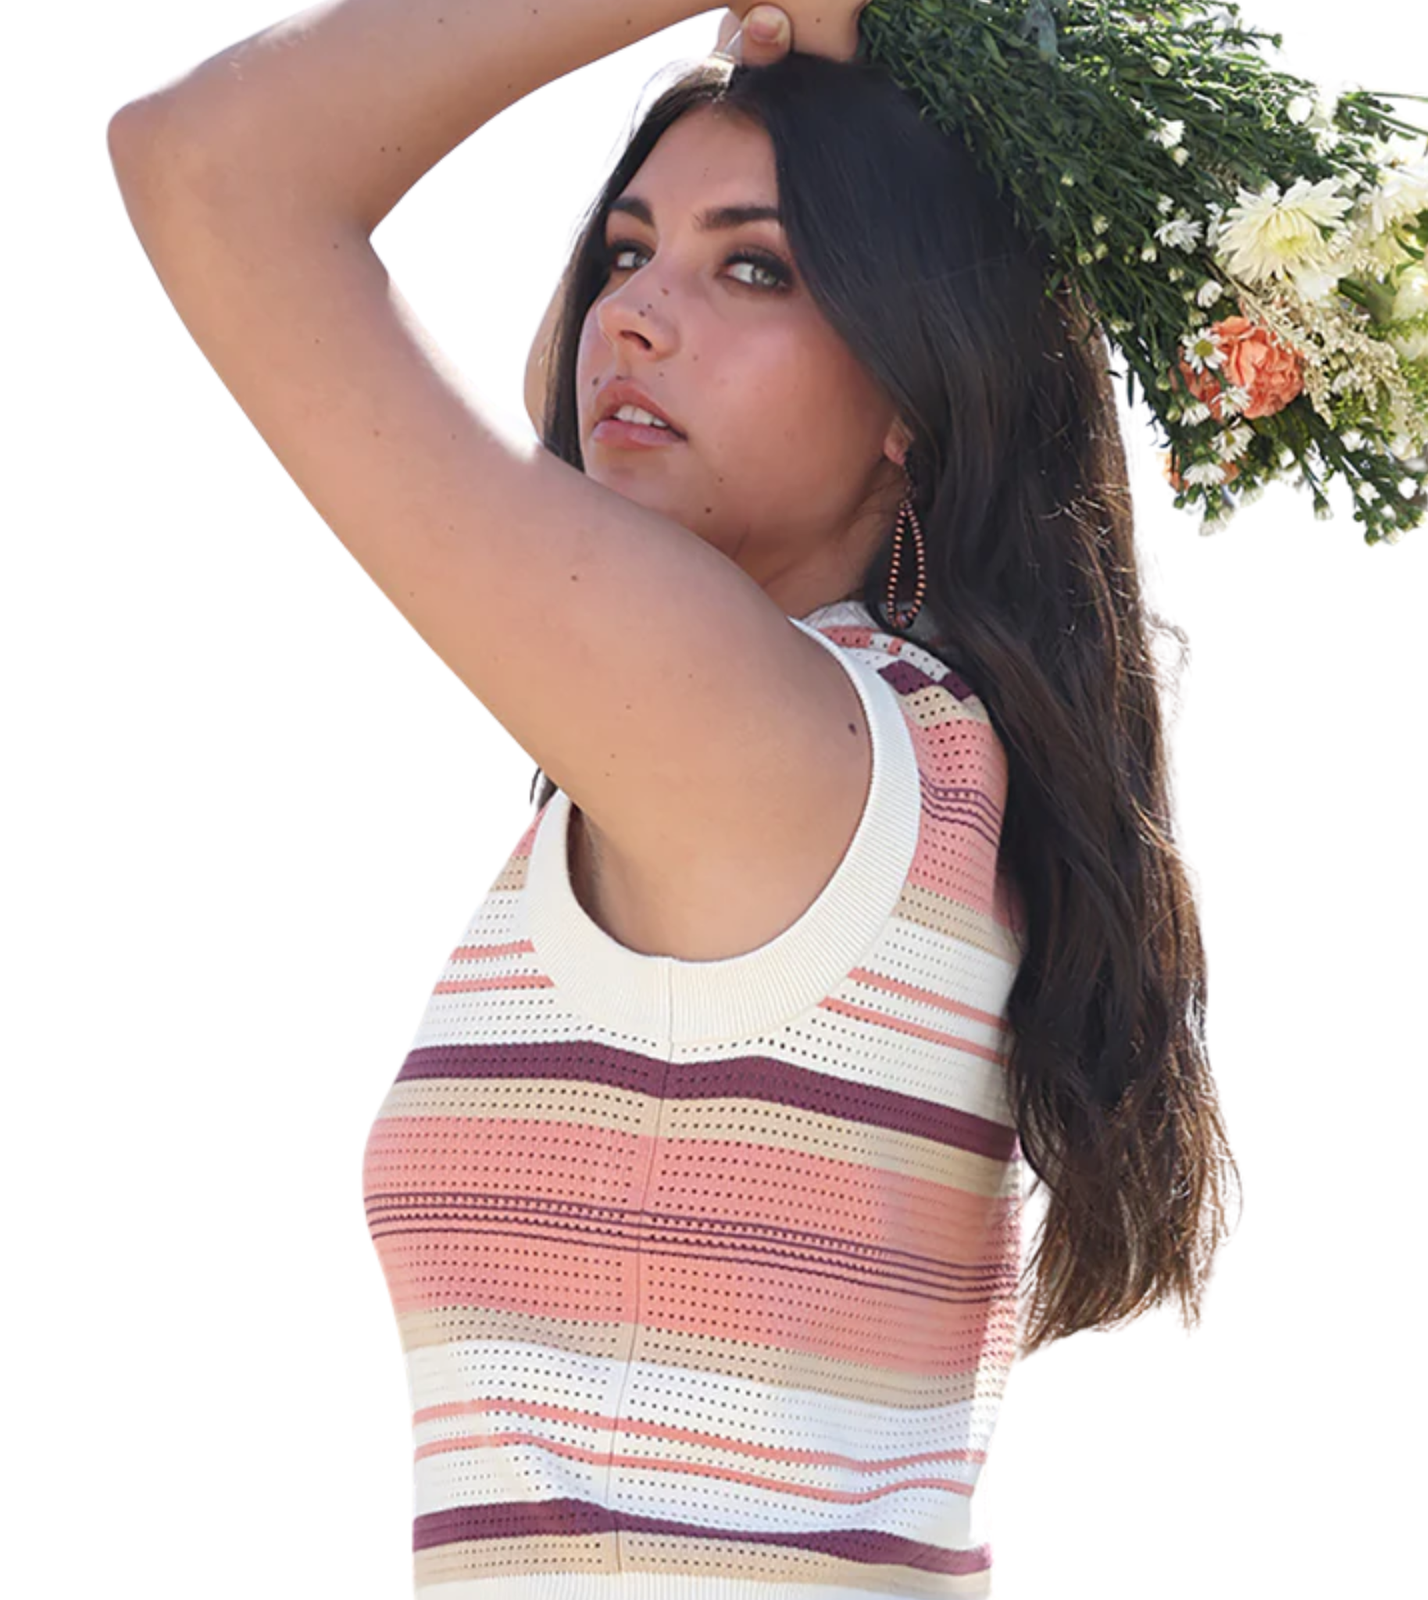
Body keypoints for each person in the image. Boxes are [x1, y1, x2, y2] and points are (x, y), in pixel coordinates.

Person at [108, 3, 1237, 1593]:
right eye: (626, 251)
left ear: (915, 385)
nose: (632, 314)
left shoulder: (773, 743)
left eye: (753, 267)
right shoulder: (918, 758)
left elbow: (209, 166)